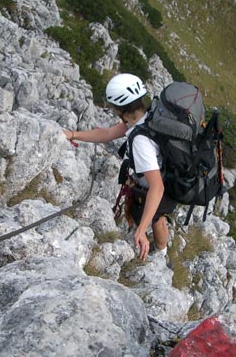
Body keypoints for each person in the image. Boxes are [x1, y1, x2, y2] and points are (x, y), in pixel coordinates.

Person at [64, 73, 177, 261]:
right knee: (156, 216)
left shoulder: (141, 140)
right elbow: (107, 134)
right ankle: (161, 250)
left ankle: (162, 256)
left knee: (155, 218)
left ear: (119, 108)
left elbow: (157, 188)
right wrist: (73, 134)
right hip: (167, 175)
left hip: (160, 187)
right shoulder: (148, 116)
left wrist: (141, 231)